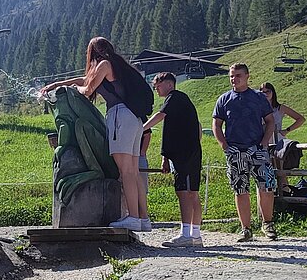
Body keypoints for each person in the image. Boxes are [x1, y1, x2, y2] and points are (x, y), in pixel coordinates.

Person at [41, 37, 153, 231]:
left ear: (92, 52)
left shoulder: (104, 65)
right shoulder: (118, 65)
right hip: (133, 119)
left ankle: (133, 218)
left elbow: (87, 88)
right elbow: (86, 79)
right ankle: (143, 219)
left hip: (119, 116)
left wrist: (75, 89)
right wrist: (57, 84)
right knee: (133, 171)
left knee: (125, 171)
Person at [212, 63, 278, 242]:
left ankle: (268, 224)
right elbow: (216, 124)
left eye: (238, 75)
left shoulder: (258, 97)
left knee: (266, 186)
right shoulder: (224, 99)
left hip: (257, 149)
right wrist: (224, 146)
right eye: (232, 76)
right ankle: (246, 229)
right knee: (240, 189)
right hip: (235, 150)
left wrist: (264, 143)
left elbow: (270, 121)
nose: (234, 79)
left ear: (247, 76)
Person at [144, 73, 203, 248]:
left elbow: (160, 115)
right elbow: (171, 132)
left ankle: (186, 234)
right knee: (192, 192)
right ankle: (195, 235)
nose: (156, 89)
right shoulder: (179, 102)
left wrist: (141, 129)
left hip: (184, 153)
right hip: (187, 152)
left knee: (184, 192)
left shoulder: (175, 98)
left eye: (158, 85)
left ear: (169, 84)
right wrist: (165, 157)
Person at [259, 82, 306, 189]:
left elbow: (300, 119)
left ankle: (285, 192)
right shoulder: (257, 108)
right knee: (265, 171)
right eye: (262, 92)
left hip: (277, 142)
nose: (265, 94)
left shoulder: (280, 108)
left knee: (280, 171)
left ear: (273, 92)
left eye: (268, 91)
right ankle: (270, 194)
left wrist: (286, 130)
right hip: (263, 141)